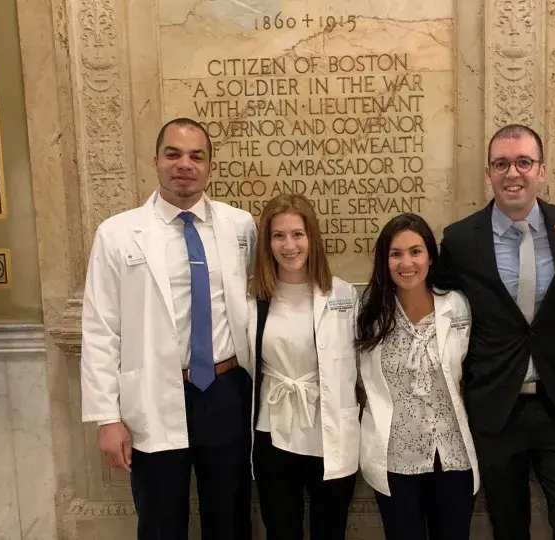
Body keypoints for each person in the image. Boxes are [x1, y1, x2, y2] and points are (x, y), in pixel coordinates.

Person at [80, 117, 256, 540]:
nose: (185, 164)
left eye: (197, 156)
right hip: (154, 394)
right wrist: (107, 418)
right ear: (156, 160)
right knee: (160, 520)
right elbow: (100, 327)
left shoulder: (240, 226)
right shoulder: (118, 234)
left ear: (210, 166)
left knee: (229, 518)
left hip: (225, 390)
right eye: (173, 154)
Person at [437, 124, 555, 539]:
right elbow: (439, 304)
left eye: (524, 162)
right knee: (508, 528)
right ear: (488, 173)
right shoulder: (459, 239)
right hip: (495, 410)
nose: (513, 173)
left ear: (541, 171)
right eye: (501, 164)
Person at [356, 213, 480, 540]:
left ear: (430, 256)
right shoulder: (369, 313)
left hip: (453, 457)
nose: (406, 262)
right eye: (396, 254)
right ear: (385, 261)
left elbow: (474, 373)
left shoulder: (457, 306)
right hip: (395, 460)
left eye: (416, 251)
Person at [247, 193, 360, 540]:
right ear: (267, 242)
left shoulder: (343, 295)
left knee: (330, 529)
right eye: (278, 235)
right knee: (281, 529)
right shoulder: (252, 298)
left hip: (329, 431)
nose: (289, 245)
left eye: (297, 234)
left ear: (312, 238)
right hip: (274, 431)